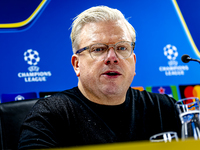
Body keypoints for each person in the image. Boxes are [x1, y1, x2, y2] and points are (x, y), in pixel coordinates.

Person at [18, 6, 181, 149]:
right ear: (76, 64)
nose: (112, 57)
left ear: (134, 61)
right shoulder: (51, 115)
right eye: (98, 49)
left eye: (122, 47)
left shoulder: (164, 108)